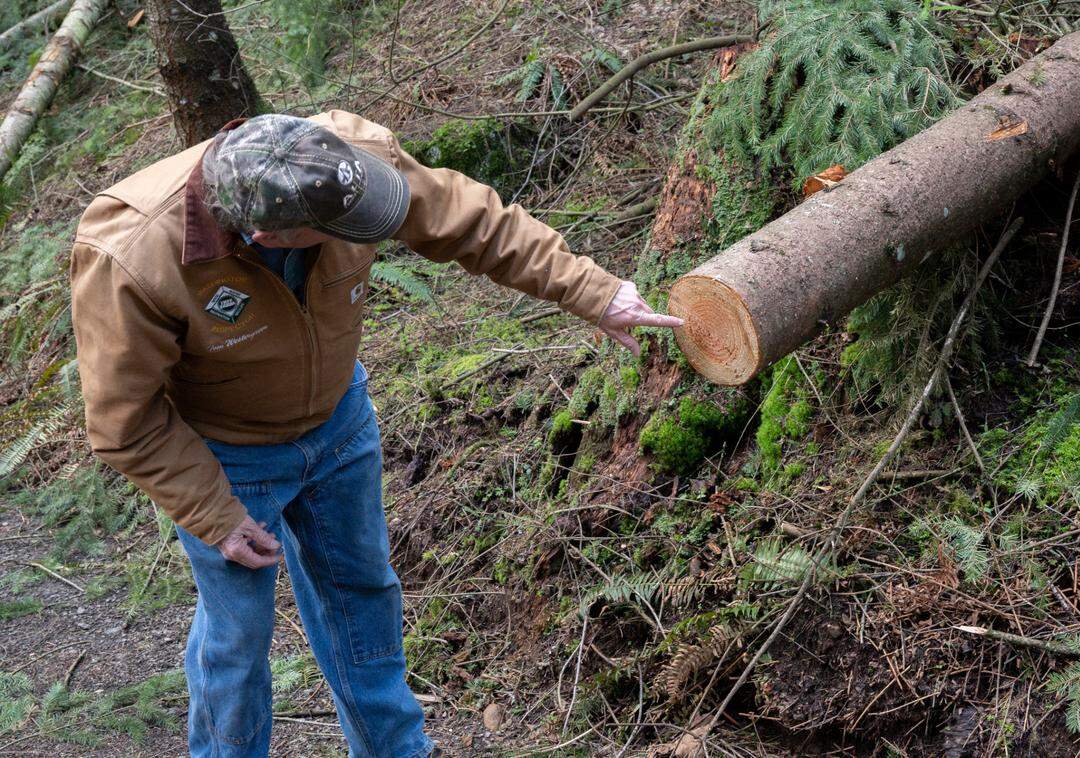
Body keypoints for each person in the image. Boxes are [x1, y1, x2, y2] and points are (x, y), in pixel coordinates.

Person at [69, 110, 681, 757]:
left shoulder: (343, 164)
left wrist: (593, 291)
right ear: (268, 231)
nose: (368, 231)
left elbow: (470, 220)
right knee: (238, 637)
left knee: (363, 594)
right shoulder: (134, 254)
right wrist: (213, 513)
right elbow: (123, 420)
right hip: (226, 459)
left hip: (338, 422)